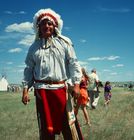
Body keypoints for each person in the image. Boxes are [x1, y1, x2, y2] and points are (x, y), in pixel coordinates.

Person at [21, 8, 83, 140]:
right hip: (42, 92)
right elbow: (29, 69)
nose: (46, 26)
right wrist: (25, 90)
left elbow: (73, 63)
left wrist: (77, 84)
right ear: (39, 27)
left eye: (49, 23)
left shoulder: (64, 43)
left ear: (55, 26)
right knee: (46, 129)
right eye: (43, 23)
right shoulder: (34, 47)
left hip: (61, 90)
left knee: (68, 125)